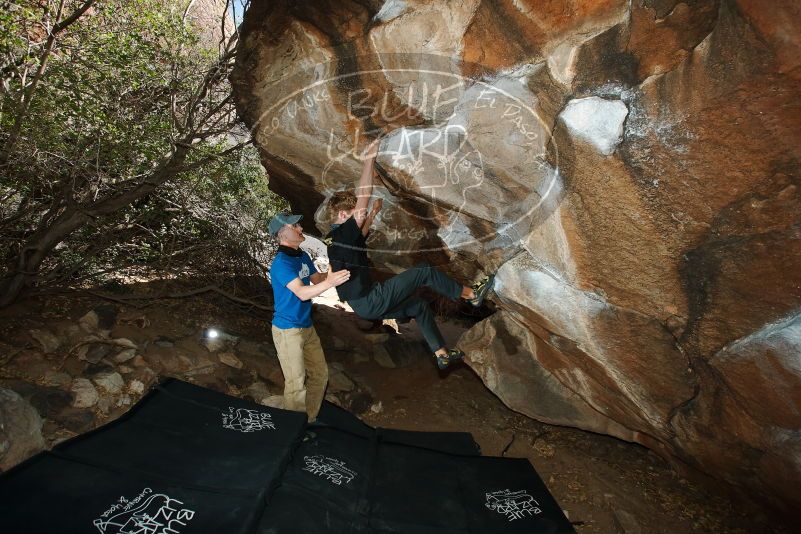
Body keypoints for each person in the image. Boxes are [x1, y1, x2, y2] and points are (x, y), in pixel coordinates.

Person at [324, 139, 493, 370]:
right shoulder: (343, 234)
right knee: (423, 270)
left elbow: (360, 233)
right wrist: (368, 160)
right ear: (343, 215)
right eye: (354, 213)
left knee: (418, 307)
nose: (358, 216)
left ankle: (441, 353)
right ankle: (471, 294)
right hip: (370, 300)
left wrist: (373, 214)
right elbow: (362, 200)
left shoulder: (337, 240)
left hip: (364, 305)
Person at [268, 212, 350, 421]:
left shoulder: (302, 254)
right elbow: (302, 292)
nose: (301, 229)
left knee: (320, 375)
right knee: (296, 384)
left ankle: (309, 420)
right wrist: (330, 283)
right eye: (295, 226)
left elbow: (316, 279)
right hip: (288, 331)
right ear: (283, 233)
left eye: (299, 225)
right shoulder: (281, 263)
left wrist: (332, 272)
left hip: (306, 326)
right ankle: (292, 430)